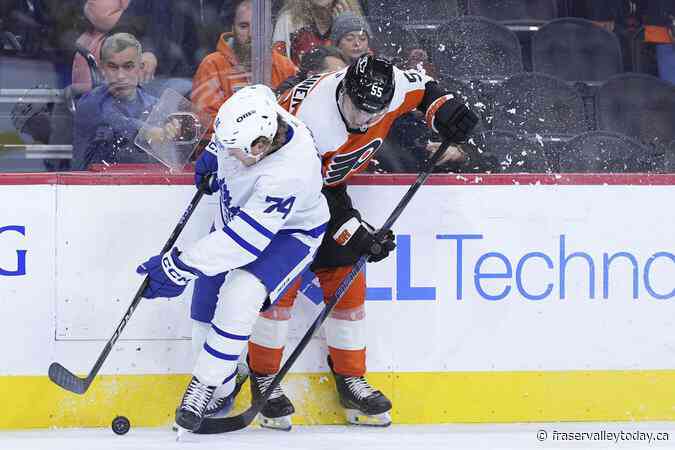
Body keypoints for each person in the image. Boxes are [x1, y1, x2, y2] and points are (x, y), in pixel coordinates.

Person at [240, 55, 478, 430]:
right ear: (343, 91)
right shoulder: (312, 122)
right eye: (357, 110)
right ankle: (263, 378)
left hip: (324, 189)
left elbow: (423, 90)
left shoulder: (392, 87)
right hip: (277, 193)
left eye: (374, 113)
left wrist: (443, 110)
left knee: (348, 279)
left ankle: (350, 379)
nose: (364, 121)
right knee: (280, 288)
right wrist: (356, 231)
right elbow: (309, 198)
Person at [137, 84, 329, 433]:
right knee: (203, 319)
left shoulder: (290, 173)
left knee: (241, 293)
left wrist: (177, 267)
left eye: (232, 150)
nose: (228, 153)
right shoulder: (261, 112)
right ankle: (224, 387)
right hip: (239, 220)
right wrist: (215, 154)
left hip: (289, 235)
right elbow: (254, 95)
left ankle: (203, 386)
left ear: (260, 147)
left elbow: (245, 243)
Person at [191, 0, 298, 151]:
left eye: (259, 27)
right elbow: (206, 123)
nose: (252, 34)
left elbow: (297, 115)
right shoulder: (212, 65)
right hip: (228, 154)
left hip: (278, 151)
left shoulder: (285, 66)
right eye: (243, 26)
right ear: (232, 28)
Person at [72, 32, 176, 169]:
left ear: (140, 68)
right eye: (113, 67)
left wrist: (171, 129)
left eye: (128, 67)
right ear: (102, 69)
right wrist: (145, 130)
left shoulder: (155, 105)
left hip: (145, 185)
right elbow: (113, 120)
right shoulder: (89, 103)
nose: (120, 76)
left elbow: (169, 161)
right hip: (94, 186)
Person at [273, 0, 364, 65]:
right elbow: (278, 66)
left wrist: (344, 26)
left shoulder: (353, 16)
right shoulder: (289, 21)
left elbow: (365, 65)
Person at [275, 45, 347, 94]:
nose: (341, 81)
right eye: (334, 76)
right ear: (311, 76)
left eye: (343, 76)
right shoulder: (289, 100)